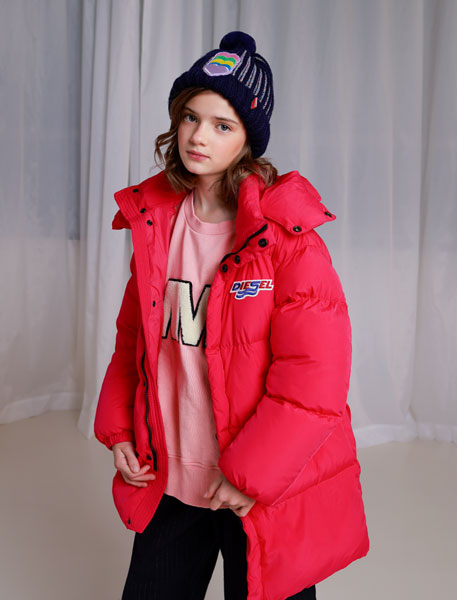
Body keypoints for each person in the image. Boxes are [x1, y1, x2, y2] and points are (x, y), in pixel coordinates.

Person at [94, 31, 369, 600]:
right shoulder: (156, 222)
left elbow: (313, 383)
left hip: (257, 488)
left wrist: (252, 478)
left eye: (223, 125)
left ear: (248, 140)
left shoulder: (287, 240)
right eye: (191, 117)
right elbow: (134, 340)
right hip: (172, 474)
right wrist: (120, 429)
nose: (199, 136)